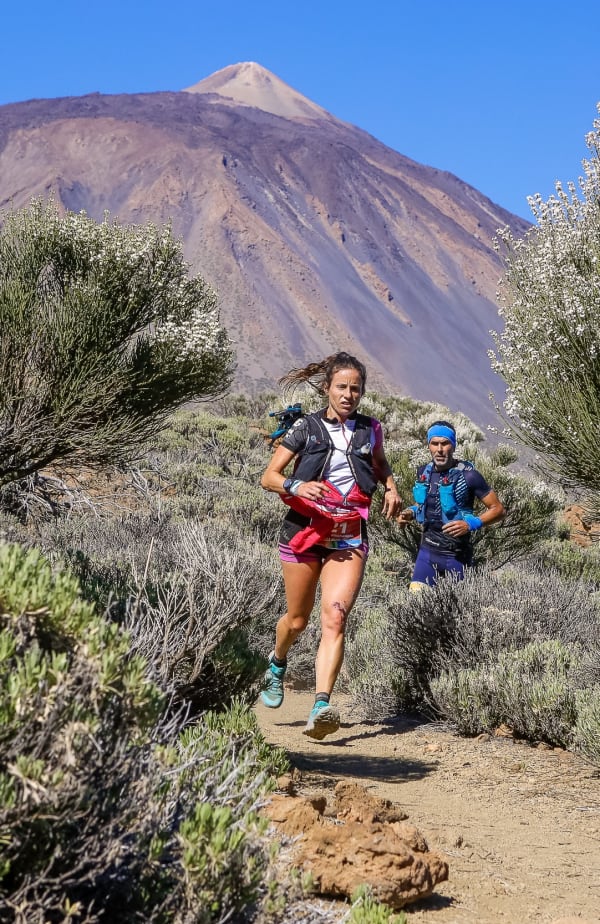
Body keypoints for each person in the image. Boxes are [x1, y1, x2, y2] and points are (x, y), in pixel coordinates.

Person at [260, 352, 401, 739]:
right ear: (327, 388)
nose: (349, 394)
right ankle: (277, 662)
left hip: (349, 536)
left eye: (356, 388)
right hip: (304, 532)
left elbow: (380, 464)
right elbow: (269, 477)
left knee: (335, 616)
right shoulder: (306, 428)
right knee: (297, 620)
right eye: (342, 386)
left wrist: (390, 487)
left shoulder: (370, 430)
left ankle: (321, 705)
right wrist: (297, 485)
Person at [396, 420, 505, 591]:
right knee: (417, 608)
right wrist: (409, 512)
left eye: (445, 443)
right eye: (434, 443)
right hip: (427, 554)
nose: (439, 449)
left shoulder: (470, 476)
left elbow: (498, 510)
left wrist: (470, 524)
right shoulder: (423, 472)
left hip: (456, 557)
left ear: (453, 445)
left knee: (455, 615)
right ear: (429, 446)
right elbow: (425, 506)